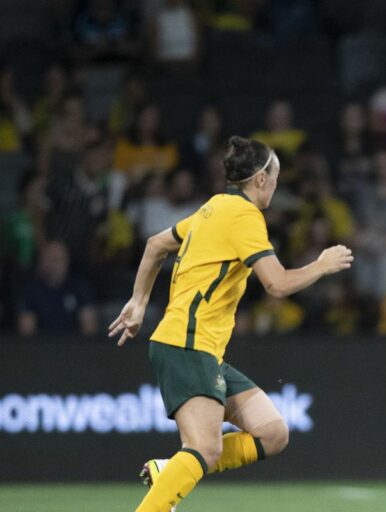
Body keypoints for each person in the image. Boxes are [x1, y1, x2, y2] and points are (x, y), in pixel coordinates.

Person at [108, 136, 354, 512]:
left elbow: (157, 244)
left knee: (273, 433)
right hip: (187, 343)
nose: (276, 184)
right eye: (275, 176)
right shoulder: (243, 216)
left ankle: (172, 470)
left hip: (201, 348)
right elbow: (277, 283)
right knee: (205, 448)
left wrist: (139, 303)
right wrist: (322, 264)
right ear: (260, 179)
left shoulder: (214, 207)